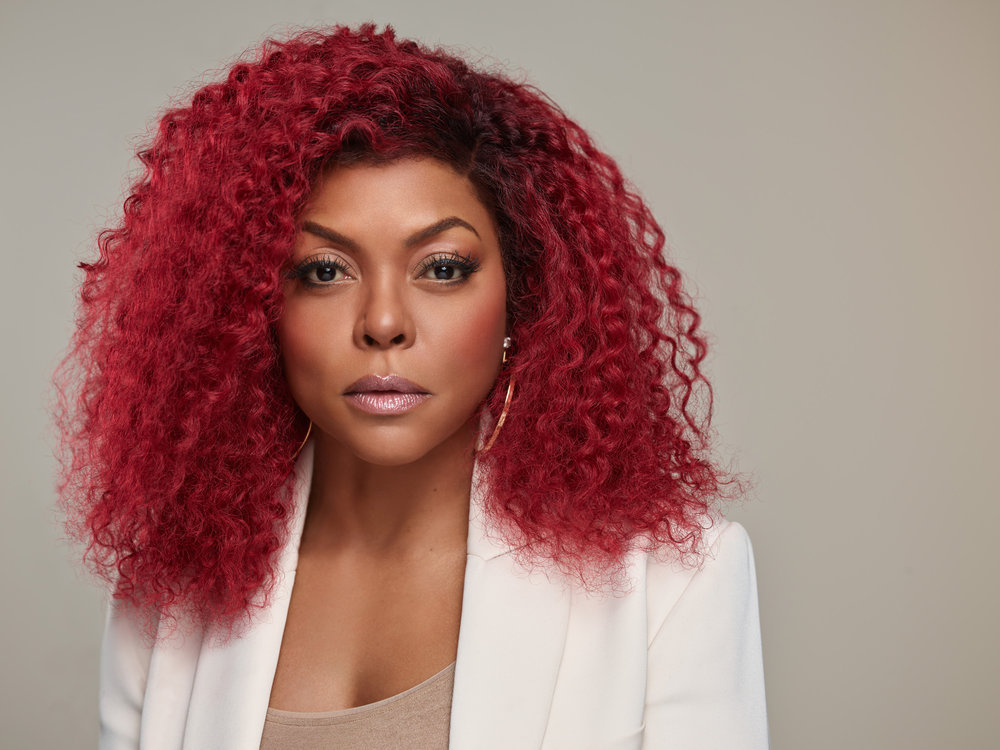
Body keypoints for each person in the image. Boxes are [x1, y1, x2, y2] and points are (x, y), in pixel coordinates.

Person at [54, 24, 768, 750]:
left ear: (522, 297)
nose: (384, 322)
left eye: (442, 268)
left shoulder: (673, 587)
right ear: (250, 307)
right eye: (325, 271)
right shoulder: (172, 589)